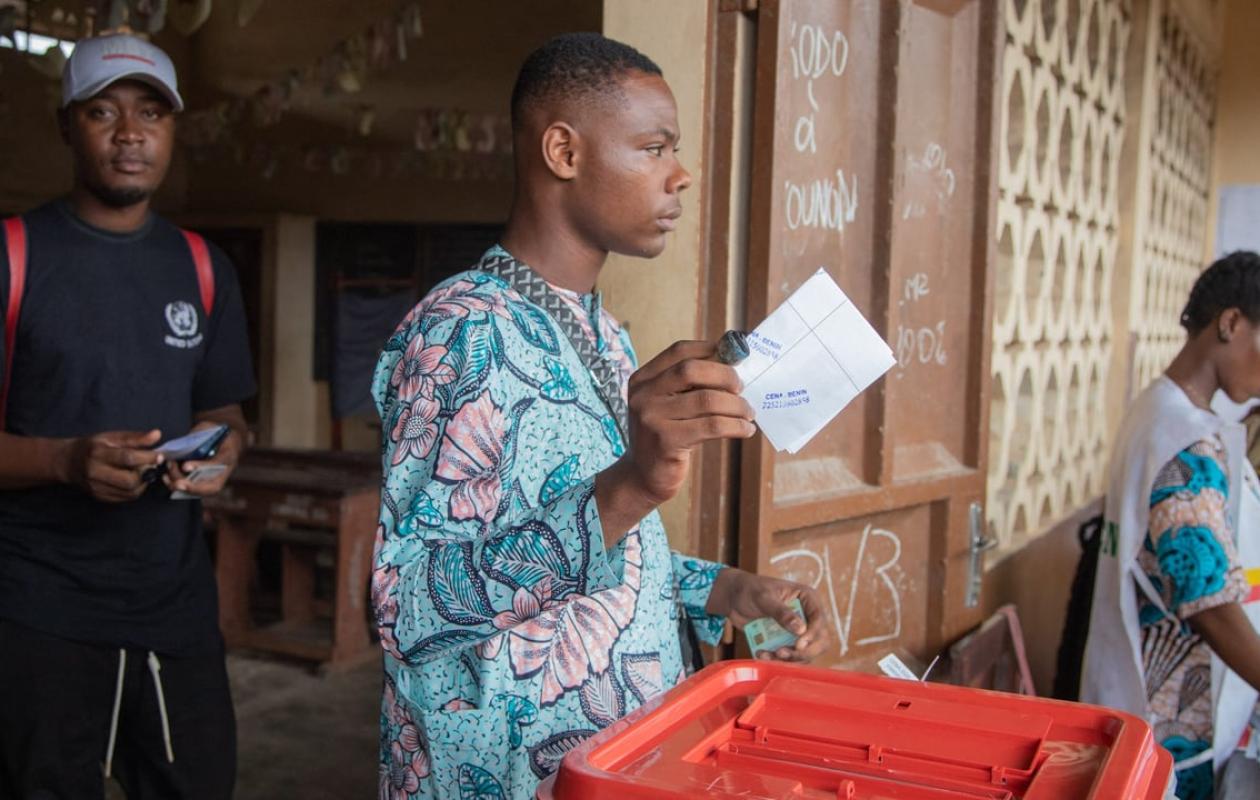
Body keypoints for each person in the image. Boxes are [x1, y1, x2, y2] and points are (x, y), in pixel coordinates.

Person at [371, 33, 830, 799]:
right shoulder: (459, 333)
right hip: (497, 779)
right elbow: (403, 609)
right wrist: (631, 486)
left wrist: (723, 590)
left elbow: (597, 556)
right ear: (563, 151)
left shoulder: (601, 332)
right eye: (654, 148)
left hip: (612, 767)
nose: (680, 175)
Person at [0, 34, 255, 799]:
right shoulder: (13, 256)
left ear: (173, 128)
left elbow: (225, 412)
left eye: (151, 112)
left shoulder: (204, 268)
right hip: (38, 610)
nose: (130, 133)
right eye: (102, 112)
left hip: (173, 608)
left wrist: (222, 452)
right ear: (66, 126)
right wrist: (64, 462)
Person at [1082, 251, 1260, 800]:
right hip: (1165, 737)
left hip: (1122, 703)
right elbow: (1209, 603)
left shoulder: (1155, 409)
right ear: (1230, 324)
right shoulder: (1187, 443)